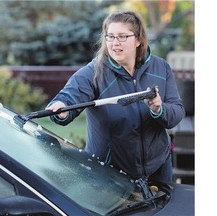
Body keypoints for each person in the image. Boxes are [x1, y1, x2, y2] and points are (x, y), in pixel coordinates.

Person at [46, 10, 185, 183]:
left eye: (122, 37)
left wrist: (159, 108)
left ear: (138, 39)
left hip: (158, 169)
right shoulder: (94, 72)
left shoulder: (161, 68)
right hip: (111, 176)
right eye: (110, 36)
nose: (114, 43)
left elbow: (177, 111)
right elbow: (71, 95)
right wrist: (62, 107)